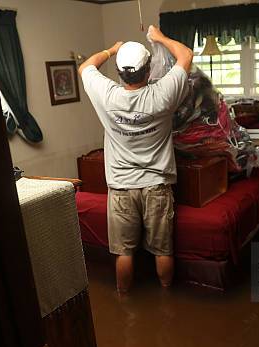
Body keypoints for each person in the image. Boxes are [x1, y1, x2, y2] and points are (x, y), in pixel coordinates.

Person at [79, 26, 193, 293]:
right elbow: (186, 55)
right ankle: (167, 297)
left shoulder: (107, 95)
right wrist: (160, 38)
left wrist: (112, 50)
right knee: (163, 250)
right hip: (157, 185)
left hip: (121, 187)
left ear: (120, 72)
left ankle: (124, 301)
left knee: (124, 253)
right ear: (149, 69)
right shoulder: (162, 93)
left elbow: (85, 67)